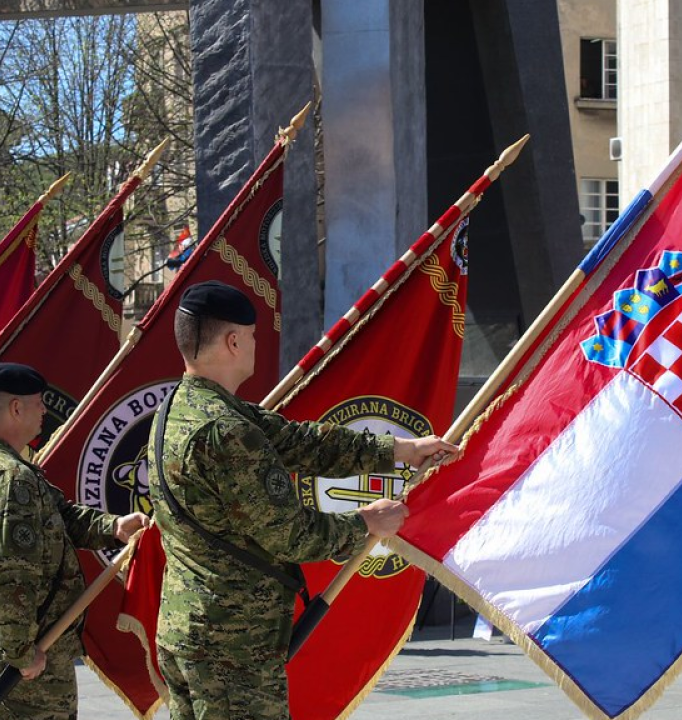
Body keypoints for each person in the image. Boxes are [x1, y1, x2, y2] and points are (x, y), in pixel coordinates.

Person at [150, 281, 457, 720]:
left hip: (191, 629)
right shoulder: (226, 430)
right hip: (231, 648)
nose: (256, 345)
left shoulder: (180, 408)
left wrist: (400, 450)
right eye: (252, 336)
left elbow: (302, 442)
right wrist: (368, 523)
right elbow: (291, 535)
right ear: (233, 341)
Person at [0, 363, 149, 719]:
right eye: (38, 402)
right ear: (16, 408)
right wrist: (22, 651)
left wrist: (114, 527)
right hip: (25, 660)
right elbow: (9, 574)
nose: (44, 410)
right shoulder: (11, 478)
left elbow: (59, 516)